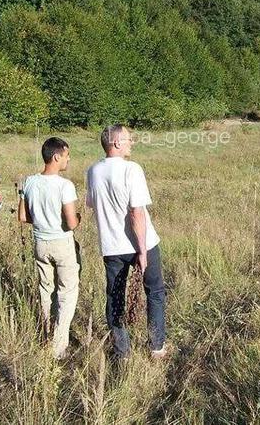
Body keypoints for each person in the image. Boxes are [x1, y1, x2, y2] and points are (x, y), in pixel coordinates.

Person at [86, 124, 167, 360]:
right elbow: (136, 212)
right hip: (142, 244)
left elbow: (91, 204)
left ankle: (123, 352)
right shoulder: (131, 169)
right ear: (116, 143)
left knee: (115, 297)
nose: (132, 142)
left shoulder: (93, 171)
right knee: (154, 292)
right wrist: (142, 252)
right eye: (129, 139)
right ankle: (156, 346)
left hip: (111, 246)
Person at [18, 137, 81, 360]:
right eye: (66, 155)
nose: (68, 159)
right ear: (56, 157)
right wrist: (78, 218)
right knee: (67, 293)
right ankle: (58, 345)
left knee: (46, 290)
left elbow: (22, 216)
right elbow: (71, 223)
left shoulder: (29, 182)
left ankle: (46, 333)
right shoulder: (65, 185)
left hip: (39, 242)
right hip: (61, 243)